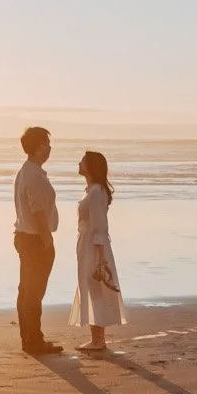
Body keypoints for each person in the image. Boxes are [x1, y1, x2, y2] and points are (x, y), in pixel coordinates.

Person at [12, 126, 61, 355]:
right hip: (34, 240)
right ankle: (33, 341)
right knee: (33, 293)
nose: (49, 148)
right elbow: (39, 212)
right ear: (37, 147)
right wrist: (47, 241)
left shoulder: (28, 172)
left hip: (26, 237)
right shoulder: (32, 175)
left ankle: (30, 339)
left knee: (27, 291)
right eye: (46, 144)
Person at [70, 150, 125, 352]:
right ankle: (97, 338)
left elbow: (100, 225)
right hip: (88, 243)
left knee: (95, 287)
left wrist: (100, 258)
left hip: (94, 246)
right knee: (92, 287)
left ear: (91, 167)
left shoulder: (95, 193)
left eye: (83, 161)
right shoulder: (92, 190)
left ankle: (98, 340)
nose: (79, 163)